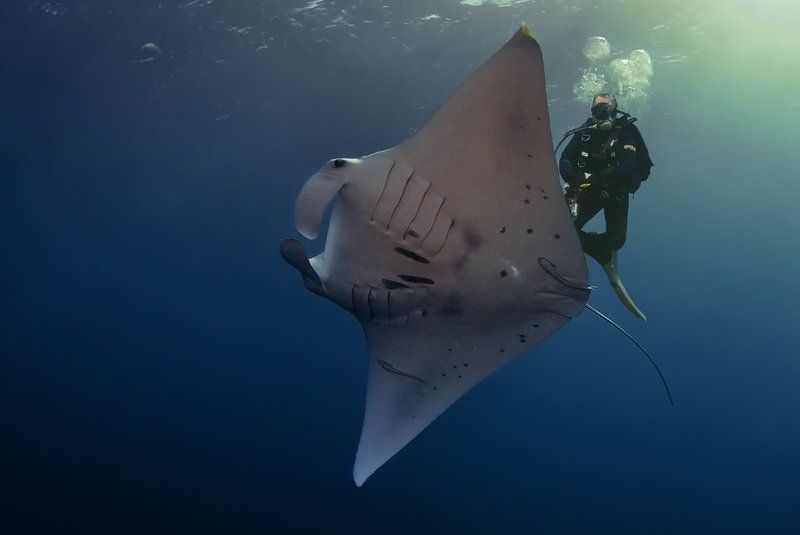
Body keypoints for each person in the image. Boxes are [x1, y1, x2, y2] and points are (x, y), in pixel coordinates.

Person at [558, 93, 653, 320]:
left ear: (614, 108)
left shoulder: (625, 131)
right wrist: (571, 175)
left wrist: (595, 176)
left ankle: (604, 252)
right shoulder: (585, 132)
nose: (601, 109)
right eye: (597, 106)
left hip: (613, 192)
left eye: (606, 105)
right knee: (560, 229)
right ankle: (574, 248)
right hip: (585, 191)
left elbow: (628, 165)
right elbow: (566, 156)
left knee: (616, 241)